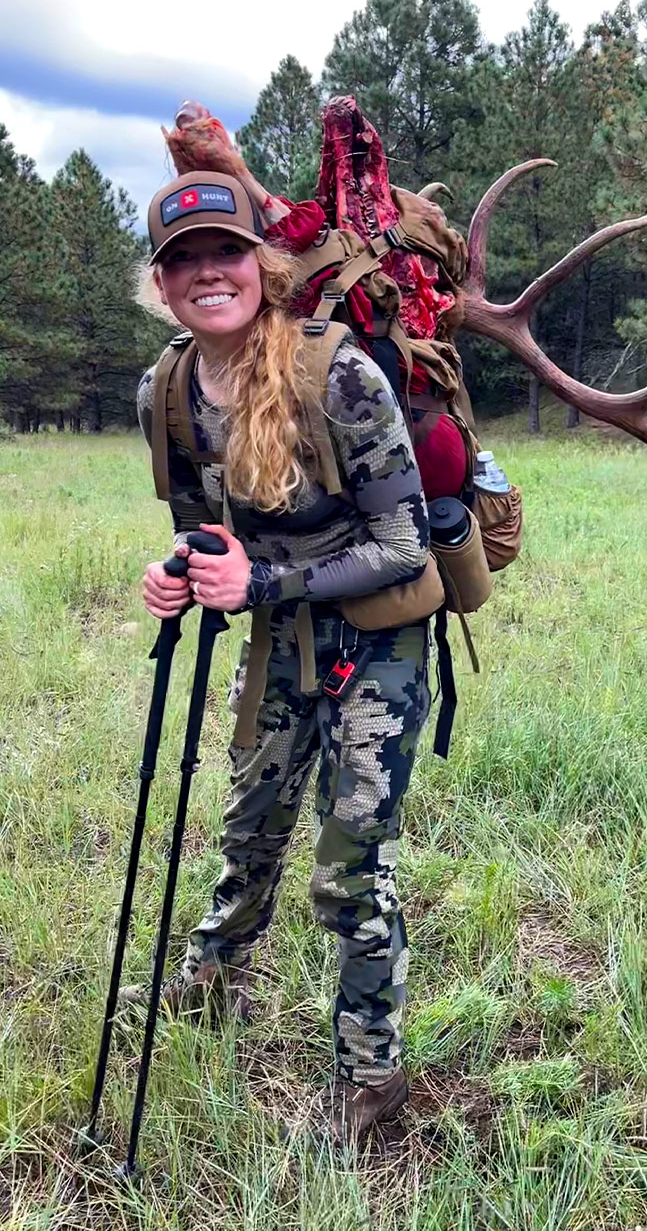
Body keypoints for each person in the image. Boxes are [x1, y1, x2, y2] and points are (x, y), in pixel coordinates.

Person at [129, 169, 432, 1144]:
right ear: (162, 283)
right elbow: (205, 530)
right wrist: (182, 572)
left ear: (262, 263)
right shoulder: (167, 389)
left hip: (376, 635)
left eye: (226, 252)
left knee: (348, 861)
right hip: (280, 635)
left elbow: (404, 543)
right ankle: (210, 981)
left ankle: (370, 1066)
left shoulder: (336, 373)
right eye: (185, 261)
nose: (208, 272)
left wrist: (261, 587)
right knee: (250, 826)